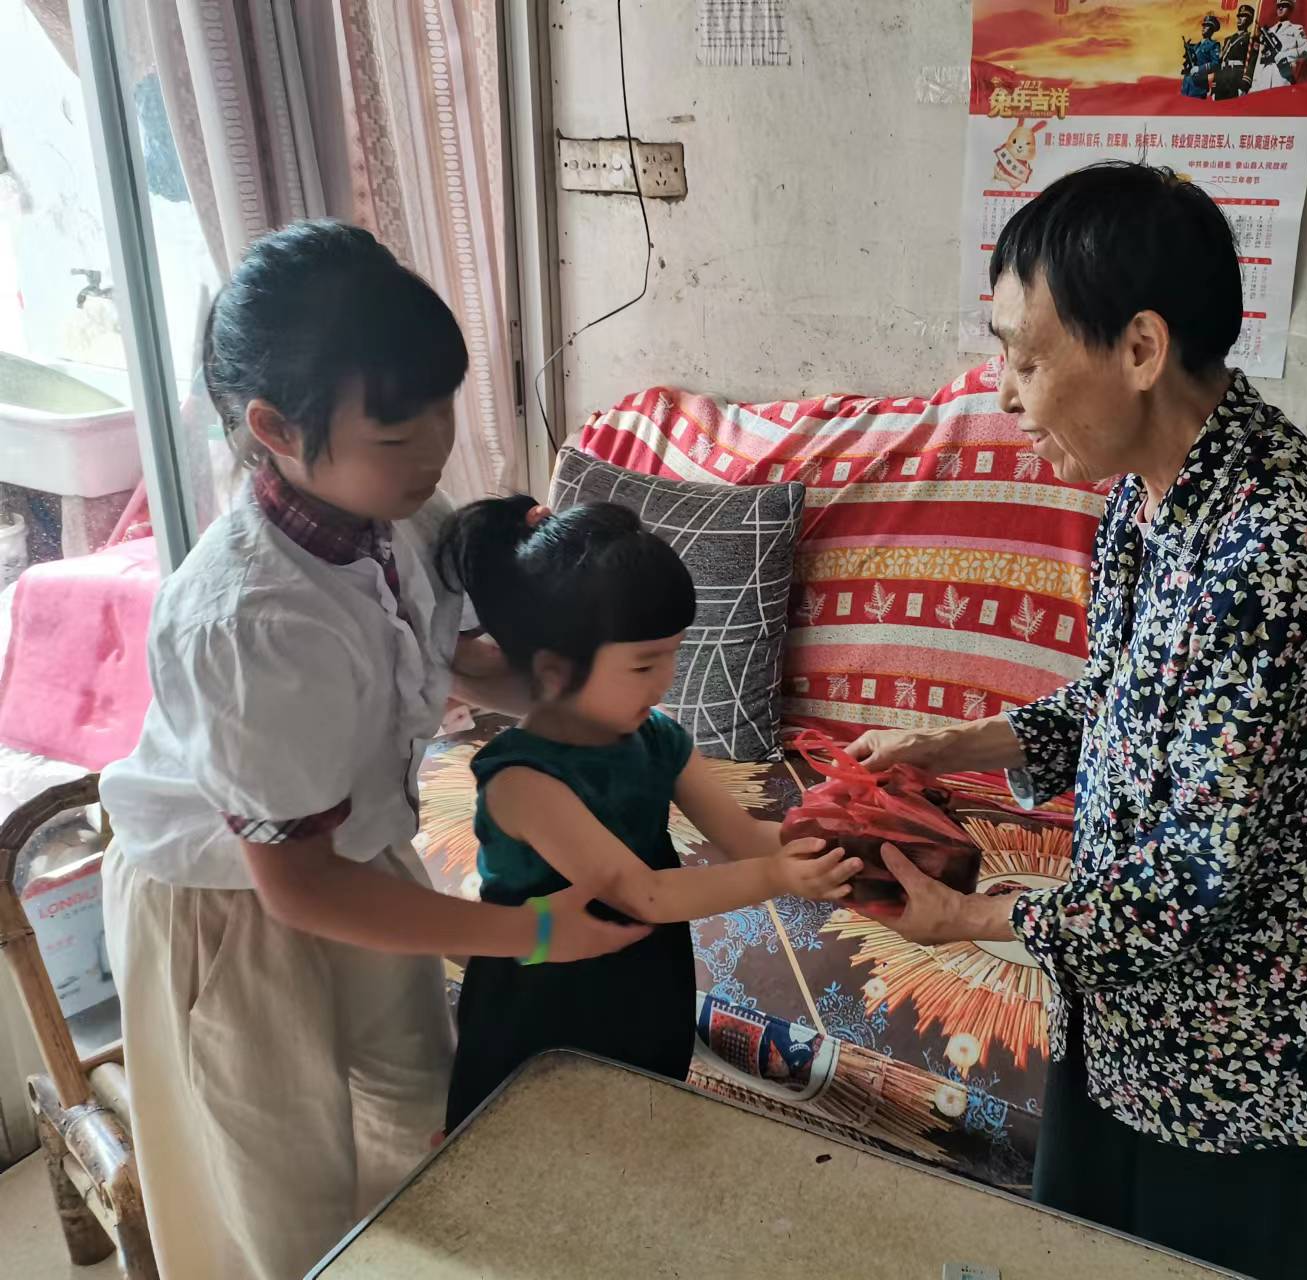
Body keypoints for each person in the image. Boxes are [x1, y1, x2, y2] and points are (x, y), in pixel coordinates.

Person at [847, 162, 1307, 1280]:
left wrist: (968, 917)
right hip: (1118, 994)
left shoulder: (1276, 546)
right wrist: (950, 746)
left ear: (1140, 349)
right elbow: (1124, 694)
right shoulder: (1146, 498)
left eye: (1026, 358)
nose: (1005, 394)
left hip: (1234, 1041)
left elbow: (1193, 882)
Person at [98, 222, 651, 1280]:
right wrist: (533, 933)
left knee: (421, 1126)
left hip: (356, 852)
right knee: (286, 1204)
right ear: (273, 426)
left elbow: (444, 660)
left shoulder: (396, 510)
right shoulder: (250, 618)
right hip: (228, 910)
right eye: (399, 430)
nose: (436, 446)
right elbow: (295, 885)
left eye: (445, 406)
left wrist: (577, 681)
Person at [437, 498, 860, 1130]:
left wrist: (838, 840)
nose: (665, 681)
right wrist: (779, 877)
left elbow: (745, 835)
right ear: (554, 671)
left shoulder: (655, 737)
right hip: (545, 999)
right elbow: (645, 893)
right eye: (643, 665)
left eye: (672, 656)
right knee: (533, 1141)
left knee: (640, 1121)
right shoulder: (522, 780)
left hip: (644, 973)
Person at [1252, 0, 1307, 91]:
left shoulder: (1296, 29)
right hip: (1264, 78)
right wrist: (1254, 84)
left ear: (1290, 9)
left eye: (1284, 5)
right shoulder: (1268, 32)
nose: (1280, 8)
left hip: (1282, 77)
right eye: (1278, 6)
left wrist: (1286, 55)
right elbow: (1260, 59)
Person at [1213, 5, 1259, 100]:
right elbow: (1220, 62)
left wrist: (1244, 85)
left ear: (1250, 20)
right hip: (1223, 77)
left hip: (1236, 78)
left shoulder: (1250, 38)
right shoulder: (1228, 39)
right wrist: (1214, 86)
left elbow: (1252, 62)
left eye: (1243, 16)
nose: (1239, 19)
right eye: (1239, 16)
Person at [1179, 14, 1222, 99]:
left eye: (1207, 26)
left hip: (1198, 87)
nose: (1203, 28)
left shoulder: (1213, 45)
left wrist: (1199, 69)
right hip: (1187, 86)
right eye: (1203, 25)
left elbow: (1215, 64)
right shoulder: (1196, 46)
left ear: (1212, 29)